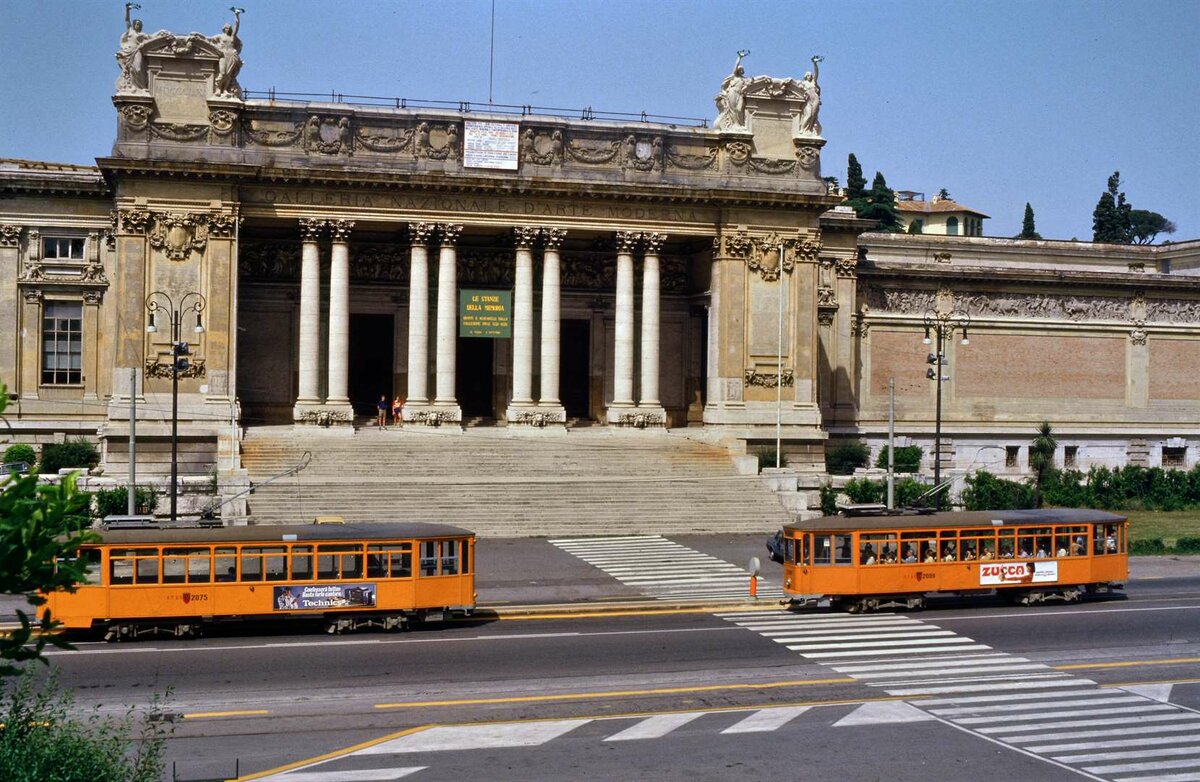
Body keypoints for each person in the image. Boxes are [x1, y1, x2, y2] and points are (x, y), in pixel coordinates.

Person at [117, 3, 150, 93]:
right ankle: (133, 86)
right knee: (131, 70)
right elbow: (127, 20)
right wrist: (127, 10)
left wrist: (162, 33)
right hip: (128, 52)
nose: (138, 25)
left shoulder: (143, 35)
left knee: (138, 69)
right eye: (137, 24)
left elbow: (152, 38)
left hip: (137, 50)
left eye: (139, 24)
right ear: (134, 24)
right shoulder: (131, 31)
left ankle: (141, 87)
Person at [210, 8, 243, 98]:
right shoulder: (220, 36)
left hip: (232, 55)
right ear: (224, 29)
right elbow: (210, 41)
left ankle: (224, 89)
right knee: (223, 73)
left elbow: (237, 25)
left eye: (229, 28)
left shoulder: (232, 37)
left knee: (229, 75)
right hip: (223, 55)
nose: (228, 29)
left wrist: (237, 16)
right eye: (226, 28)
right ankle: (218, 88)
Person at [715, 50, 750, 130]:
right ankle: (735, 124)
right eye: (739, 69)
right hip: (732, 93)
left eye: (742, 70)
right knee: (733, 109)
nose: (741, 71)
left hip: (740, 94)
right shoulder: (734, 76)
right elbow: (736, 65)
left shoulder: (744, 79)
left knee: (739, 109)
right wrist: (739, 57)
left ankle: (740, 124)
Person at [797, 55, 823, 135]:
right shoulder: (803, 83)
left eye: (811, 75)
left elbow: (816, 73)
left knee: (813, 115)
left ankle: (810, 129)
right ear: (805, 76)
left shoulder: (813, 82)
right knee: (808, 114)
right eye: (808, 75)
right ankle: (802, 129)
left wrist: (815, 64)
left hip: (815, 99)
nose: (810, 76)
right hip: (808, 100)